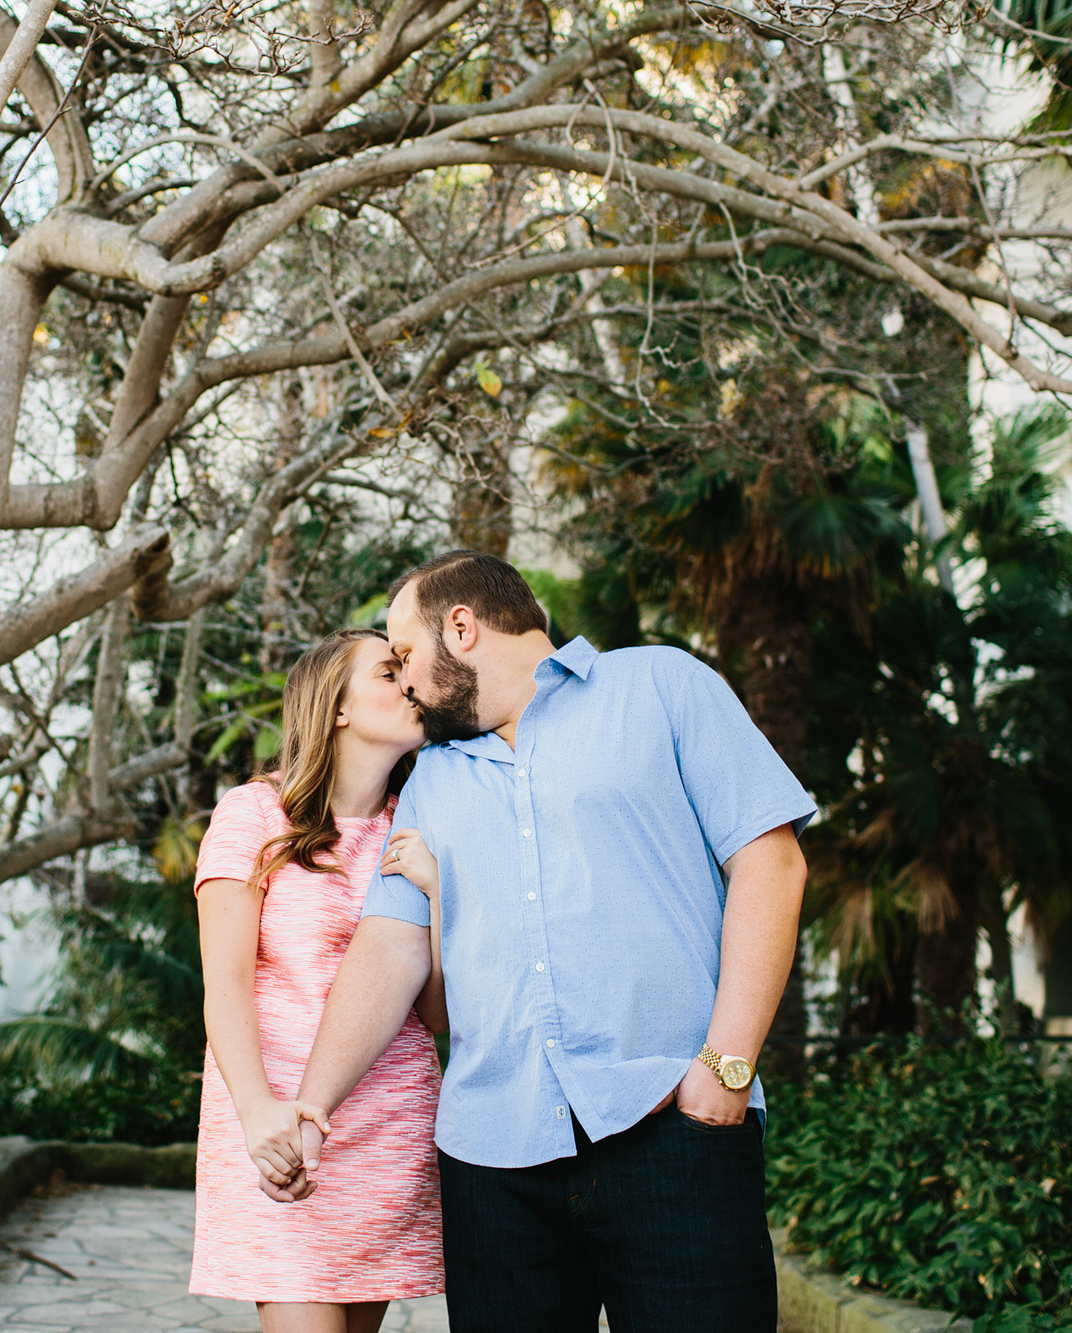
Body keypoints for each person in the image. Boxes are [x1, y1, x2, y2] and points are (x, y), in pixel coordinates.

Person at [262, 550, 815, 1333]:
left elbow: (771, 863)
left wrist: (725, 1069)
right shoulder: (430, 779)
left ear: (463, 626)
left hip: (672, 1130)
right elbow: (390, 947)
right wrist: (313, 1106)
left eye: (407, 655)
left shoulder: (661, 686)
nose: (408, 680)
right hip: (494, 1163)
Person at [191, 628, 446, 1333]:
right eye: (391, 671)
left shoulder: (416, 828)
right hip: (274, 1123)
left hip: (389, 1130)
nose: (412, 684)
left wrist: (442, 896)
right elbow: (225, 986)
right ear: (335, 706)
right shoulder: (254, 814)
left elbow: (436, 1013)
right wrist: (257, 1112)